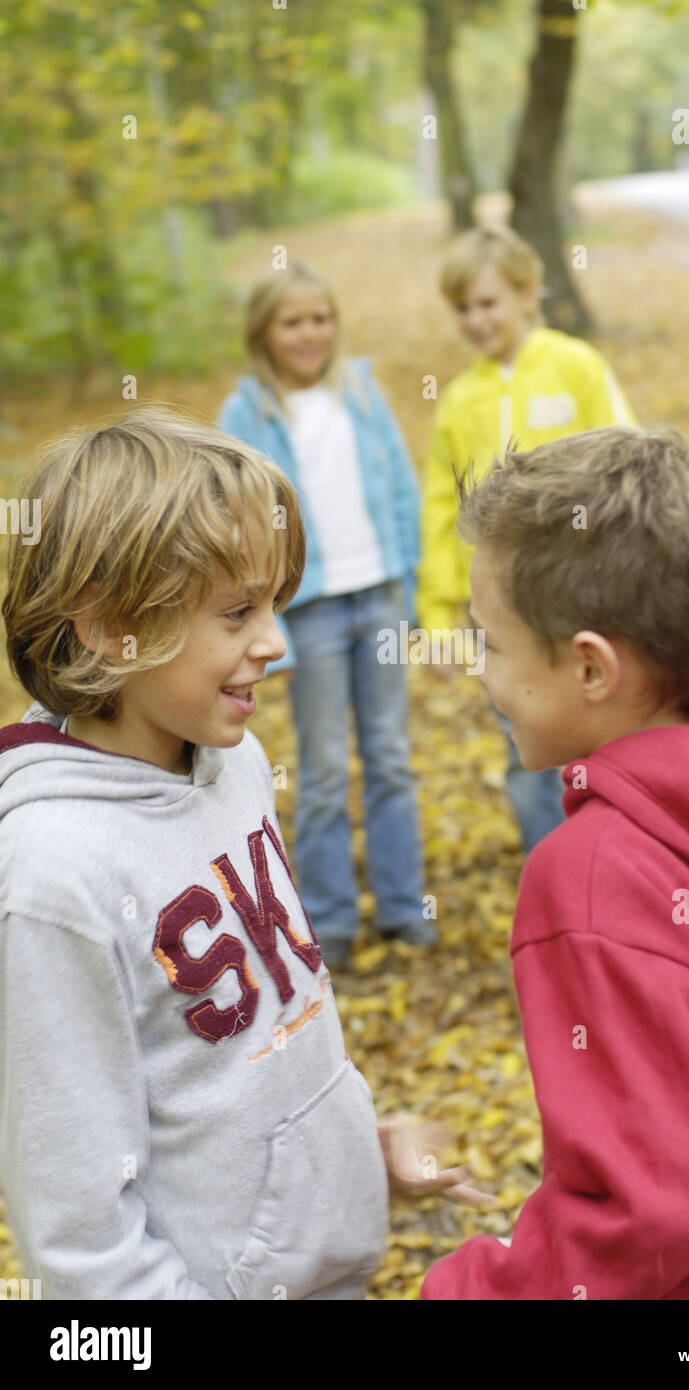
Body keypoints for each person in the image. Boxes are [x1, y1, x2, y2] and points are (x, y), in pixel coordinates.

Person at [0, 409, 491, 1301]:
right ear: (113, 626)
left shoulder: (234, 760)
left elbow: (251, 1036)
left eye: (275, 605)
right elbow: (77, 1236)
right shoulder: (49, 876)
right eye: (237, 613)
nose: (275, 642)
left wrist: (356, 1160)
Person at [420, 426, 689, 1299]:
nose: (481, 672)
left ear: (590, 667)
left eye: (491, 643)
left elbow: (656, 1200)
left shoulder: (595, 876)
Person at [218, 263, 432, 970]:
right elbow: (234, 516)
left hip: (378, 597)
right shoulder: (246, 412)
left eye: (319, 318)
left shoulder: (361, 391)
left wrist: (408, 586)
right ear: (264, 334)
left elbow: (401, 485)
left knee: (390, 757)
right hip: (307, 609)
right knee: (321, 769)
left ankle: (404, 908)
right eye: (291, 322)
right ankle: (331, 920)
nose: (309, 334)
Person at [417, 224, 638, 856]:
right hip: (503, 614)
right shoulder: (459, 401)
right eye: (463, 308)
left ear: (527, 293)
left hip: (586, 600)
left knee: (609, 737)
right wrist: (435, 618)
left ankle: (623, 861)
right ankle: (558, 874)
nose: (476, 320)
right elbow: (439, 511)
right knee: (529, 749)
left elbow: (627, 466)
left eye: (488, 303)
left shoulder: (576, 366)